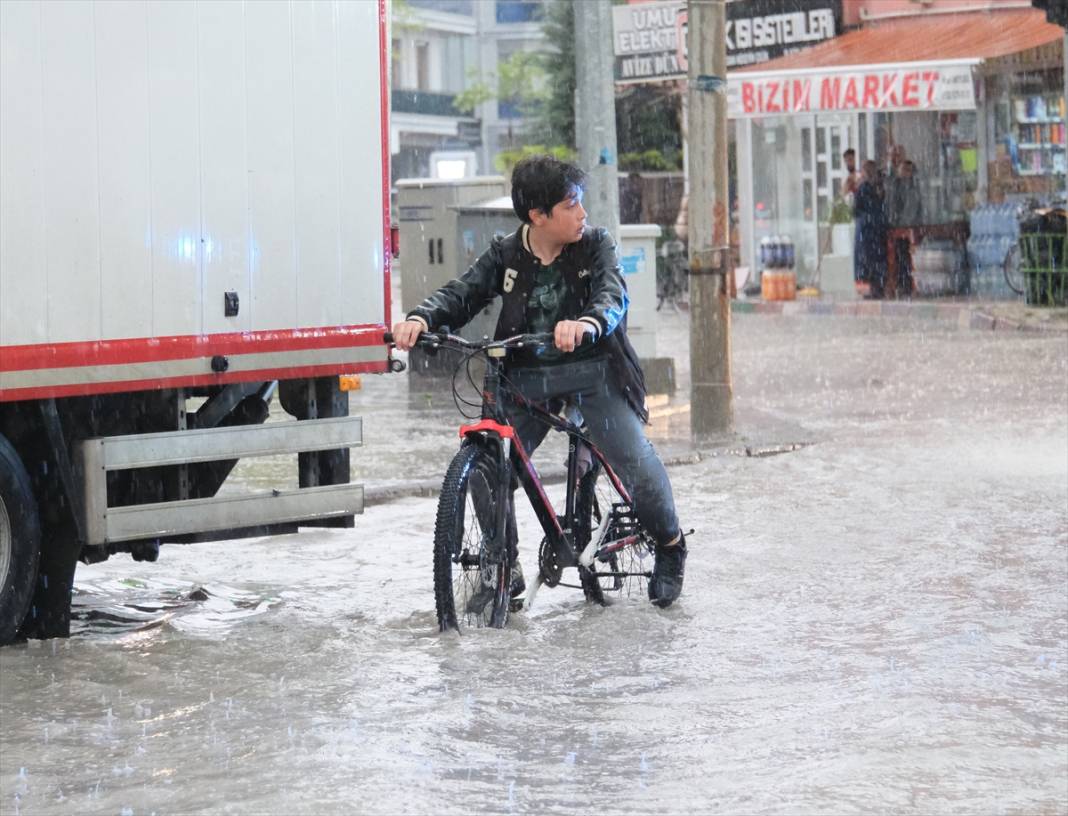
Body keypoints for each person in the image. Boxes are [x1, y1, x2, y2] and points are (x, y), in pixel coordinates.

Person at [391, 155, 688, 608]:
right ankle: (502, 569)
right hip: (525, 377)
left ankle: (670, 546)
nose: (582, 214)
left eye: (581, 204)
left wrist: (587, 321)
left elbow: (613, 295)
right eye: (571, 205)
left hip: (594, 371)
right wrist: (421, 316)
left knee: (633, 458)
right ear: (538, 216)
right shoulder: (506, 254)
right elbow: (463, 292)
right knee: (486, 470)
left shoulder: (596, 245)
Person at [885, 159, 924, 297]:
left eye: (908, 170)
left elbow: (914, 207)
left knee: (908, 257)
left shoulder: (913, 187)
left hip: (910, 227)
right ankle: (901, 285)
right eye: (903, 170)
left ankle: (907, 285)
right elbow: (892, 205)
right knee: (900, 257)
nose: (905, 173)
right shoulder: (895, 185)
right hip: (898, 228)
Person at [853, 160, 888, 298]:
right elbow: (857, 210)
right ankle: (871, 289)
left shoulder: (876, 188)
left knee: (872, 260)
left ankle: (874, 289)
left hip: (872, 231)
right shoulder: (864, 189)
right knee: (868, 261)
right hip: (868, 231)